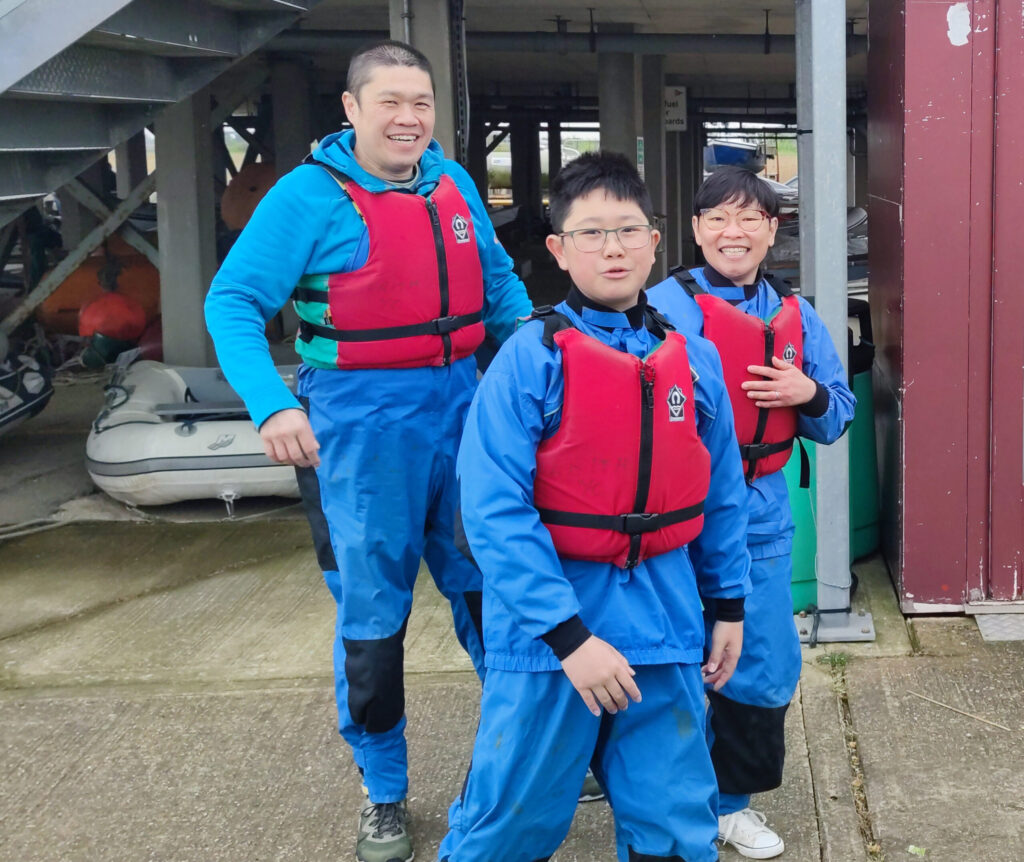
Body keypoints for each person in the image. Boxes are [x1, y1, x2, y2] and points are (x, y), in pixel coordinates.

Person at [204, 41, 533, 862]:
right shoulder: (306, 197)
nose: (408, 118)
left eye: (420, 102)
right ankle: (384, 790)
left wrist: (537, 365)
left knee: (498, 586)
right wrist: (273, 402)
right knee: (371, 621)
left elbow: (499, 289)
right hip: (356, 429)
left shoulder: (452, 182)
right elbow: (233, 300)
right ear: (351, 110)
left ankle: (530, 745)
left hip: (463, 411)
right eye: (389, 101)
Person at [438, 151, 752, 862]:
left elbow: (722, 492)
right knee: (506, 825)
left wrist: (729, 605)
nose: (612, 248)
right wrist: (569, 637)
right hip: (551, 638)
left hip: (665, 621)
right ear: (557, 249)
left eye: (628, 230)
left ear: (655, 239)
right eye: (590, 233)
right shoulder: (530, 358)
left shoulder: (692, 360)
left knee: (675, 824)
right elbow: (492, 511)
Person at [646, 166, 856, 859]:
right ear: (697, 229)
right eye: (717, 218)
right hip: (668, 524)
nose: (732, 232)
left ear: (772, 230)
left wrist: (808, 392)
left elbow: (836, 419)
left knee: (755, 664)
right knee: (666, 658)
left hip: (760, 522)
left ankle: (728, 805)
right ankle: (651, 792)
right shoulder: (656, 308)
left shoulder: (801, 318)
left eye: (750, 219)